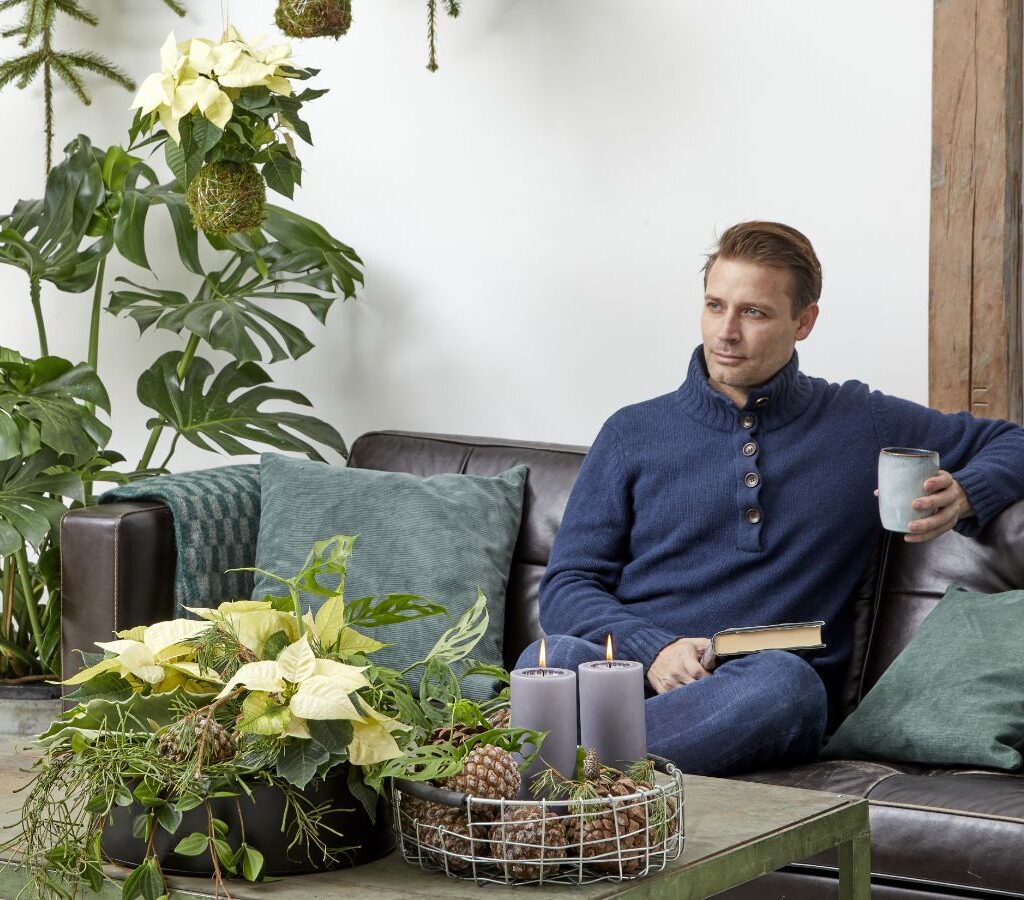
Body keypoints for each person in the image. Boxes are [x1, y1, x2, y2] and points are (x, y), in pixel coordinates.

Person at [517, 221, 1024, 777]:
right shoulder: (630, 432)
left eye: (753, 312)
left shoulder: (861, 422)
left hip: (751, 692)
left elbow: (1013, 440)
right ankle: (602, 784)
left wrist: (968, 492)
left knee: (788, 684)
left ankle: (563, 778)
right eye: (715, 306)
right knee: (557, 658)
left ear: (804, 321)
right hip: (635, 672)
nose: (726, 332)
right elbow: (568, 584)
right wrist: (654, 649)